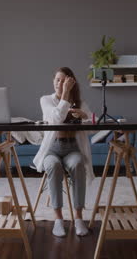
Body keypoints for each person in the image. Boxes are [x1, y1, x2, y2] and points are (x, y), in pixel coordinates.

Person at [33, 67, 95, 237]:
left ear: (72, 82)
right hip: (52, 149)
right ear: (53, 82)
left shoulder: (80, 103)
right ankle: (58, 219)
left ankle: (78, 218)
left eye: (64, 81)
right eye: (57, 80)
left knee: (78, 164)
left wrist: (83, 117)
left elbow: (92, 126)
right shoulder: (46, 100)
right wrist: (66, 94)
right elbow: (57, 118)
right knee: (53, 166)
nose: (59, 84)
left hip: (72, 148)